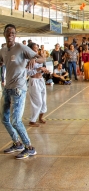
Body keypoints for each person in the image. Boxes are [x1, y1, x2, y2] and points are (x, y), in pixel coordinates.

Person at [0, 24, 44, 159]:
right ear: (4, 34)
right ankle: (17, 143)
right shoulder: (2, 50)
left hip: (19, 89)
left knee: (16, 121)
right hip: (7, 89)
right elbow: (2, 62)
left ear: (15, 35)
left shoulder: (21, 47)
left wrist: (33, 58)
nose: (10, 35)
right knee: (4, 119)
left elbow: (41, 58)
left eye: (13, 33)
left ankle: (30, 147)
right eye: (8, 33)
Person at [27, 43, 49, 127]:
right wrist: (38, 69)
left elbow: (42, 61)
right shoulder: (27, 59)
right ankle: (32, 120)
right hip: (34, 81)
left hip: (40, 80)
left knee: (43, 100)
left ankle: (40, 117)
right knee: (37, 101)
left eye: (37, 48)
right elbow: (28, 72)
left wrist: (43, 70)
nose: (36, 50)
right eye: (34, 49)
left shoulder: (38, 58)